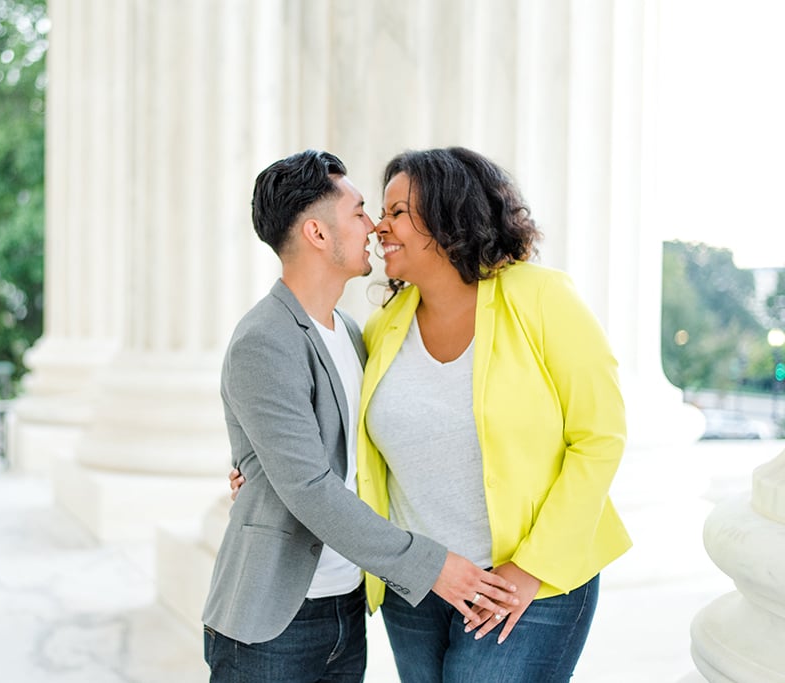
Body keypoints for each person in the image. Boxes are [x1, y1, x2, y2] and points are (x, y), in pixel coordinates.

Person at [202, 149, 518, 683]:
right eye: (358, 211)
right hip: (275, 620)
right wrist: (432, 565)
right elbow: (307, 487)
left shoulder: (353, 332)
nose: (373, 225)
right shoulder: (264, 340)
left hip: (346, 608)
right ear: (318, 235)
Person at [358, 146, 631, 682]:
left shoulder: (543, 298)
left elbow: (600, 437)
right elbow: (351, 442)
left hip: (528, 583)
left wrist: (527, 570)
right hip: (416, 587)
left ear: (448, 216)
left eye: (396, 213)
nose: (377, 227)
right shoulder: (382, 328)